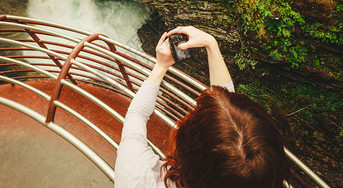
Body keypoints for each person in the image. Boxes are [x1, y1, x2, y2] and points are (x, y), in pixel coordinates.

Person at [115, 26, 289, 188]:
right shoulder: (257, 179)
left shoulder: (137, 176)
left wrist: (161, 66)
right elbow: (227, 115)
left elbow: (137, 114)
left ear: (188, 152)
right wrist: (211, 45)